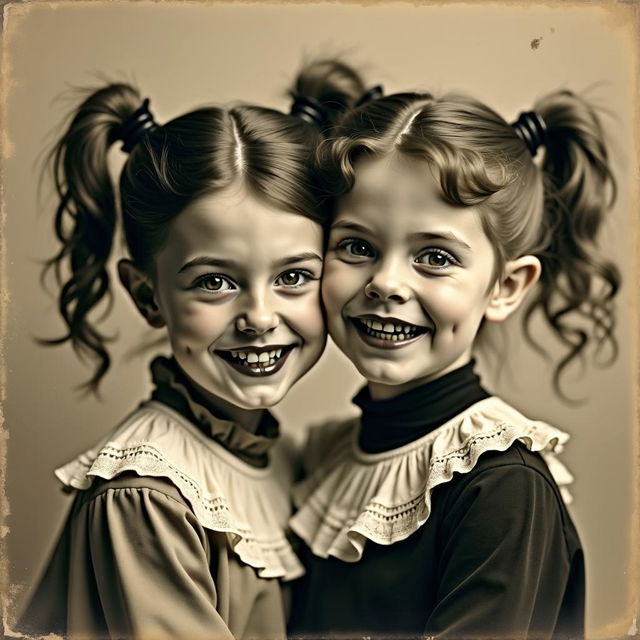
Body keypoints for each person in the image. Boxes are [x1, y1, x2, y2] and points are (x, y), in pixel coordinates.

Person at [16, 66, 360, 639]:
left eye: (295, 275)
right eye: (213, 282)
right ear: (147, 295)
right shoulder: (148, 499)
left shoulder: (283, 460)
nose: (259, 317)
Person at [289, 64, 620, 639]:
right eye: (357, 246)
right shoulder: (327, 457)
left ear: (505, 287)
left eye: (435, 257)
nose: (386, 282)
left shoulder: (501, 486)